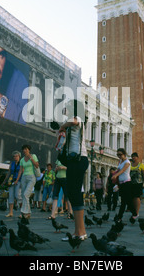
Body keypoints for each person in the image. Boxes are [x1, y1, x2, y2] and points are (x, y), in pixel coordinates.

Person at [58, 99, 89, 241]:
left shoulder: (78, 119)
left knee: (74, 194)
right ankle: (78, 231)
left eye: (69, 107)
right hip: (74, 161)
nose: (67, 109)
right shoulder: (73, 124)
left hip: (78, 160)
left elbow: (73, 121)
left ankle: (81, 232)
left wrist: (62, 127)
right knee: (73, 194)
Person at [112, 148, 137, 221]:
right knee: (126, 200)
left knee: (124, 201)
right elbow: (119, 170)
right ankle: (134, 213)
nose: (119, 156)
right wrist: (114, 174)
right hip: (121, 183)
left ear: (124, 154)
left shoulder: (127, 162)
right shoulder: (120, 162)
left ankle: (120, 217)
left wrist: (116, 175)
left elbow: (122, 170)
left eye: (120, 154)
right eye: (117, 155)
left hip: (127, 183)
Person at [17, 144, 39, 219]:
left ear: (29, 150)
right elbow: (20, 171)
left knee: (26, 194)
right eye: (23, 149)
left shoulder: (33, 156)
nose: (24, 150)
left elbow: (36, 165)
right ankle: (28, 212)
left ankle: (24, 212)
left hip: (31, 177)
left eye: (26, 149)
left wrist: (31, 159)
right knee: (24, 195)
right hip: (24, 177)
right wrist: (17, 180)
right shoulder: (22, 159)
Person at [2, 151, 22, 217]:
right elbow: (9, 172)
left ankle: (22, 212)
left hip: (19, 181)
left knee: (18, 196)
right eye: (14, 156)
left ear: (19, 156)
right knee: (11, 196)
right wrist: (4, 181)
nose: (15, 157)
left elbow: (21, 172)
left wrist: (17, 180)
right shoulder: (12, 163)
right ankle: (10, 212)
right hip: (11, 181)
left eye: (16, 156)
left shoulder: (21, 163)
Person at [130, 152, 144, 217]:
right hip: (131, 183)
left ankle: (137, 212)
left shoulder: (141, 165)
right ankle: (134, 211)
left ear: (137, 157)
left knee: (137, 197)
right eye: (132, 156)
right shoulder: (130, 165)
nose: (133, 158)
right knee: (132, 198)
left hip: (138, 183)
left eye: (134, 156)